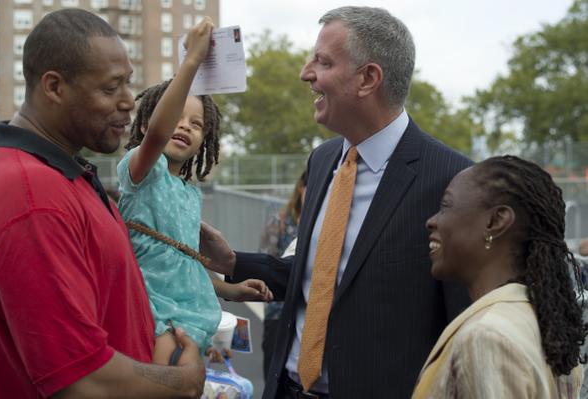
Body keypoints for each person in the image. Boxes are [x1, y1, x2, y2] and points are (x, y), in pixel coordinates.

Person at [199, 6, 473, 398]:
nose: (305, 73)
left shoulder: (452, 179)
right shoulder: (324, 159)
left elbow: (462, 327)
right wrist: (233, 263)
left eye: (322, 62)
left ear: (368, 78)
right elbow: (321, 276)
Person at [0, 9, 206, 399]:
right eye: (110, 89)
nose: (127, 101)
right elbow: (81, 381)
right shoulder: (34, 199)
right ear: (54, 87)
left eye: (128, 85)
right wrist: (184, 382)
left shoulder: (58, 175)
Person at [116, 19, 272, 365]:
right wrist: (191, 63)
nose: (185, 125)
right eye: (177, 117)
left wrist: (232, 290)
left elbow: (184, 264)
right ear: (147, 123)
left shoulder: (189, 193)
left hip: (195, 318)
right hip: (151, 313)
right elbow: (156, 137)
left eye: (197, 123)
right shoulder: (142, 171)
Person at [413, 155, 587, 398]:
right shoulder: (548, 326)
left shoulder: (487, 337)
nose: (432, 221)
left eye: (446, 206)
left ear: (495, 221)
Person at [259, 170, 307, 377]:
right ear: (300, 188)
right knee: (274, 374)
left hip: (312, 315)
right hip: (279, 312)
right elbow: (264, 263)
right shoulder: (279, 221)